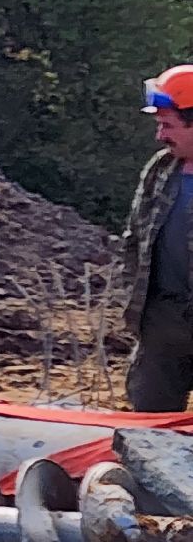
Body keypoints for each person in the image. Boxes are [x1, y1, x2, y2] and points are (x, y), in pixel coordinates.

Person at [122, 64, 193, 412]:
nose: (160, 136)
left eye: (168, 125)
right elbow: (134, 239)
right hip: (163, 324)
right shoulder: (161, 170)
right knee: (149, 424)